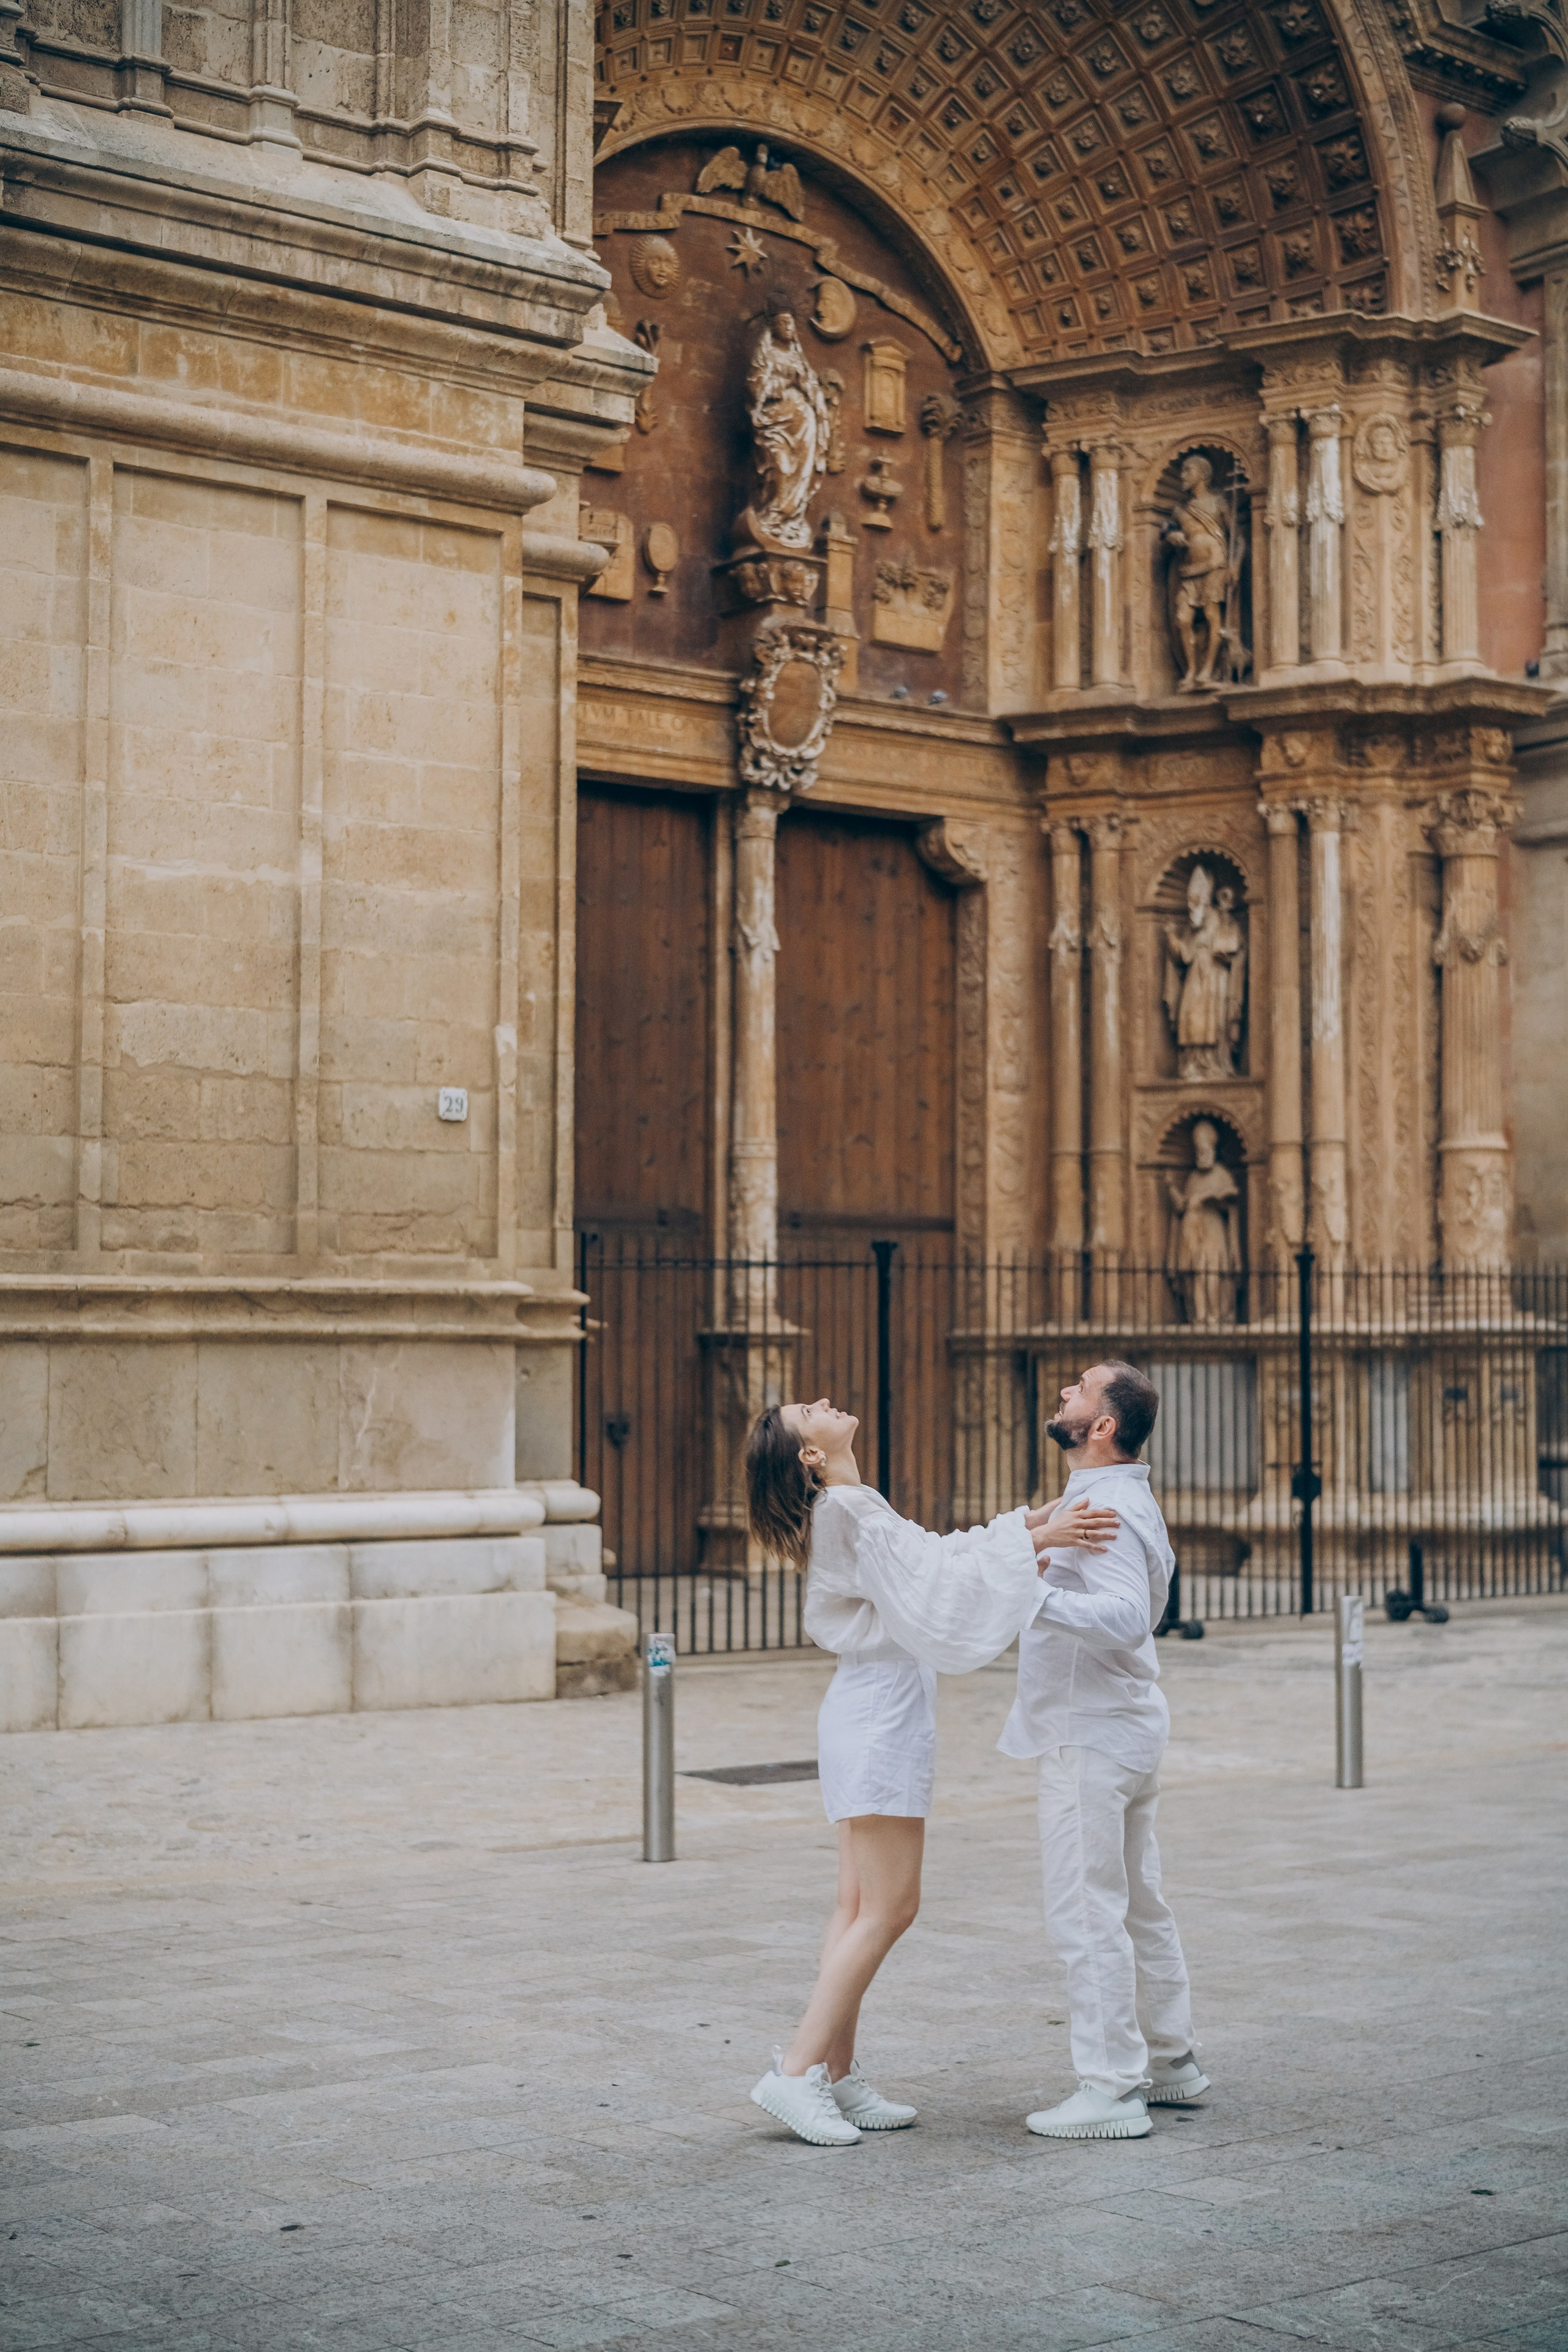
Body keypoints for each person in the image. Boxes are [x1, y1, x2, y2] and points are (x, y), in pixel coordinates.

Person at [742, 1394, 1119, 2148]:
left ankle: (835, 2077)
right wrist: (1039, 1537)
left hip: (871, 1708)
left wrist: (1032, 1528)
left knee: (856, 1905)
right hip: (878, 1717)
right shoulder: (846, 1512)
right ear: (809, 1456)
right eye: (804, 1413)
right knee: (890, 1908)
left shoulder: (854, 1503)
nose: (822, 1402)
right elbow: (933, 1586)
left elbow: (934, 1559)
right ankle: (793, 2072)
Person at [1000, 1361, 1207, 2142]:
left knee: (1086, 1909)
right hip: (1119, 1722)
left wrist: (1029, 1593)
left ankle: (1111, 2088)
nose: (1063, 1393)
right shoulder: (1117, 1496)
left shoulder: (1107, 1501)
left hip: (1089, 1730)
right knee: (1139, 1900)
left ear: (1104, 1425)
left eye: (1080, 1390)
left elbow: (1123, 1616)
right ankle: (1172, 2062)